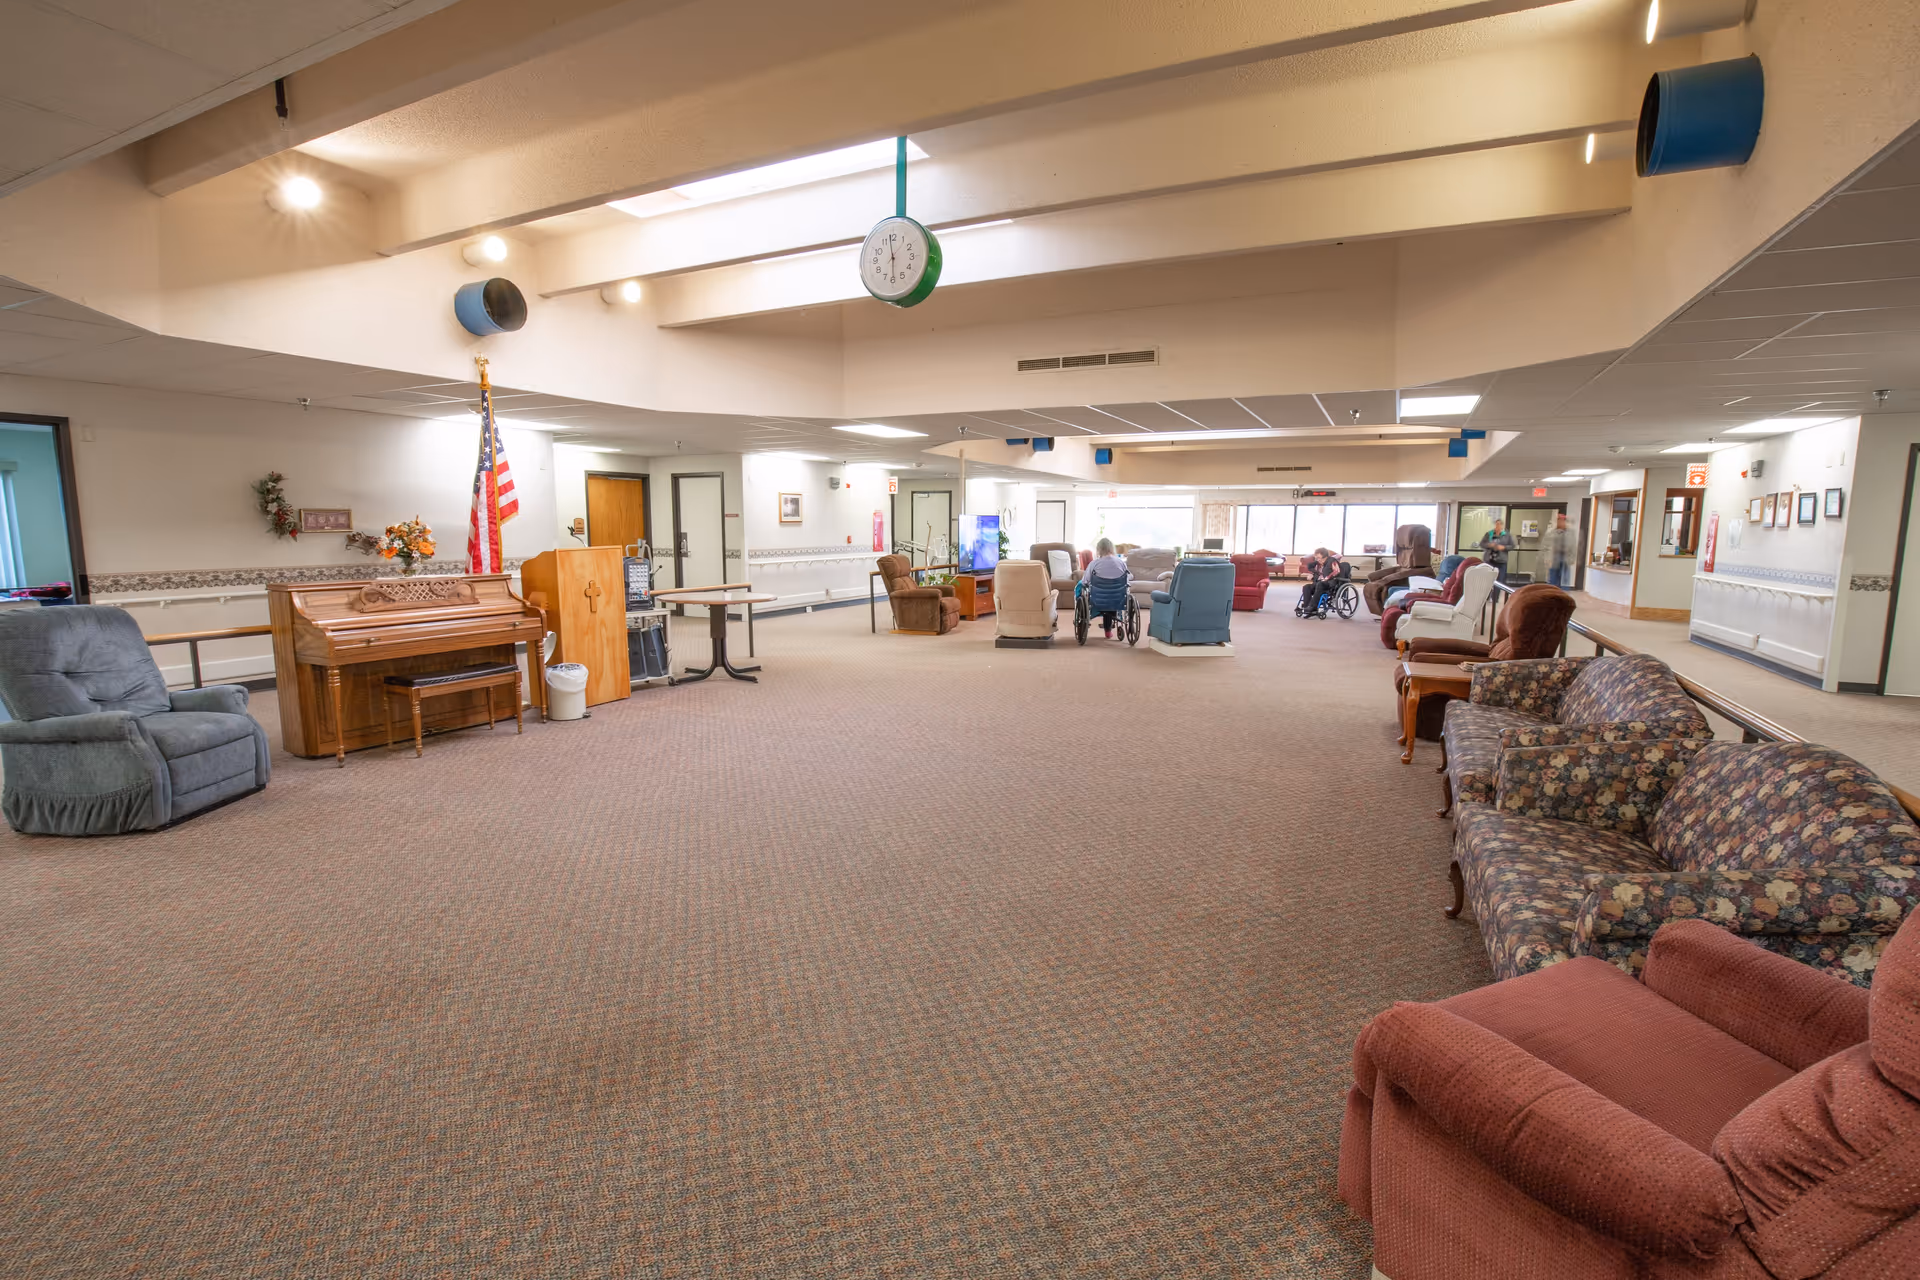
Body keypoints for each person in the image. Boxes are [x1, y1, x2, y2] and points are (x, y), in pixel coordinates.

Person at [1081, 537, 1130, 638]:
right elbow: (1128, 578)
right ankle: (1108, 630)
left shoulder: (1094, 564)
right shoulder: (1121, 563)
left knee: (1080, 587)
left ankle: (1084, 616)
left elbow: (1085, 581)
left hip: (1098, 598)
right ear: (1112, 549)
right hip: (1117, 598)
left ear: (1099, 549)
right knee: (1112, 595)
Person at [1542, 513, 1575, 589]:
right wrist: (1546, 559)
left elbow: (1572, 547)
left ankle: (1563, 595)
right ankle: (1553, 594)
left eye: (1563, 520)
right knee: (1553, 579)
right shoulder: (1550, 533)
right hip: (1553, 559)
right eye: (1559, 520)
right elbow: (1545, 547)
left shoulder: (1570, 533)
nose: (1561, 522)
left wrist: (1572, 558)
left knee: (1564, 580)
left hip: (1565, 559)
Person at [1477, 519, 1515, 584]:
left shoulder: (1507, 535)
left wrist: (1504, 547)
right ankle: (1488, 594)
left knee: (1499, 582)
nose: (1498, 526)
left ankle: (1496, 594)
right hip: (1489, 561)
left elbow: (1512, 546)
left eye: (1500, 524)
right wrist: (1489, 545)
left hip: (1501, 562)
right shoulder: (1489, 534)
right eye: (1497, 524)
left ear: (1503, 526)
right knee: (1488, 581)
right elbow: (1482, 544)